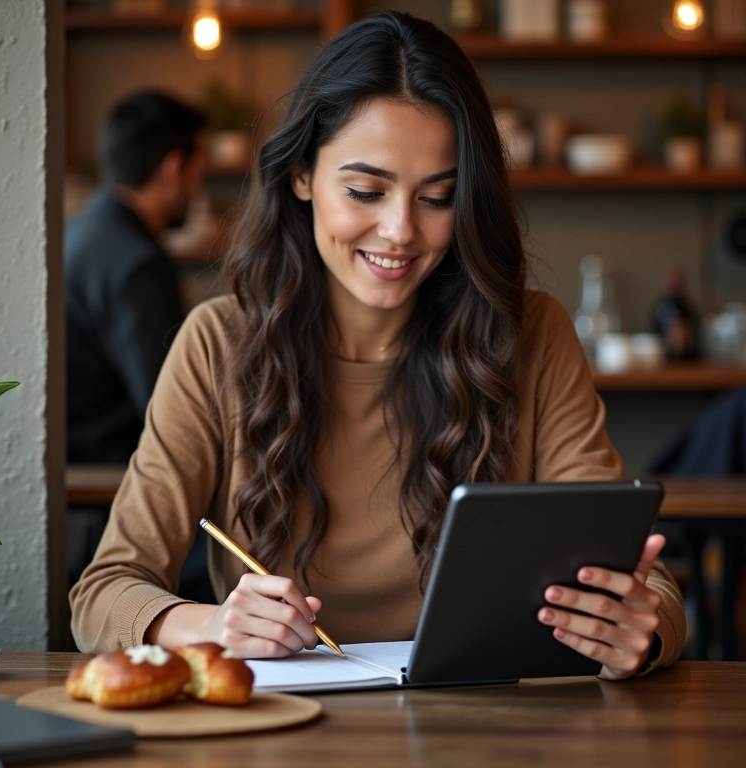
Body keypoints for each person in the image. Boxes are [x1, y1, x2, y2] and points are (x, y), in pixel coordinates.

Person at [71, 12, 685, 681]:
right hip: (280, 734)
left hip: (488, 731)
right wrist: (211, 624)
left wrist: (640, 631)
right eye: (366, 190)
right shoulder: (219, 343)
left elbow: (642, 585)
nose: (399, 231)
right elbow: (103, 593)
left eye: (438, 197)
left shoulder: (531, 336)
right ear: (302, 176)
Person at [65, 91, 211, 599]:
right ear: (174, 168)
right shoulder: (135, 261)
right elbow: (171, 406)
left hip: (83, 481)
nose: (197, 186)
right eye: (198, 170)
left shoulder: (80, 233)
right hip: (112, 493)